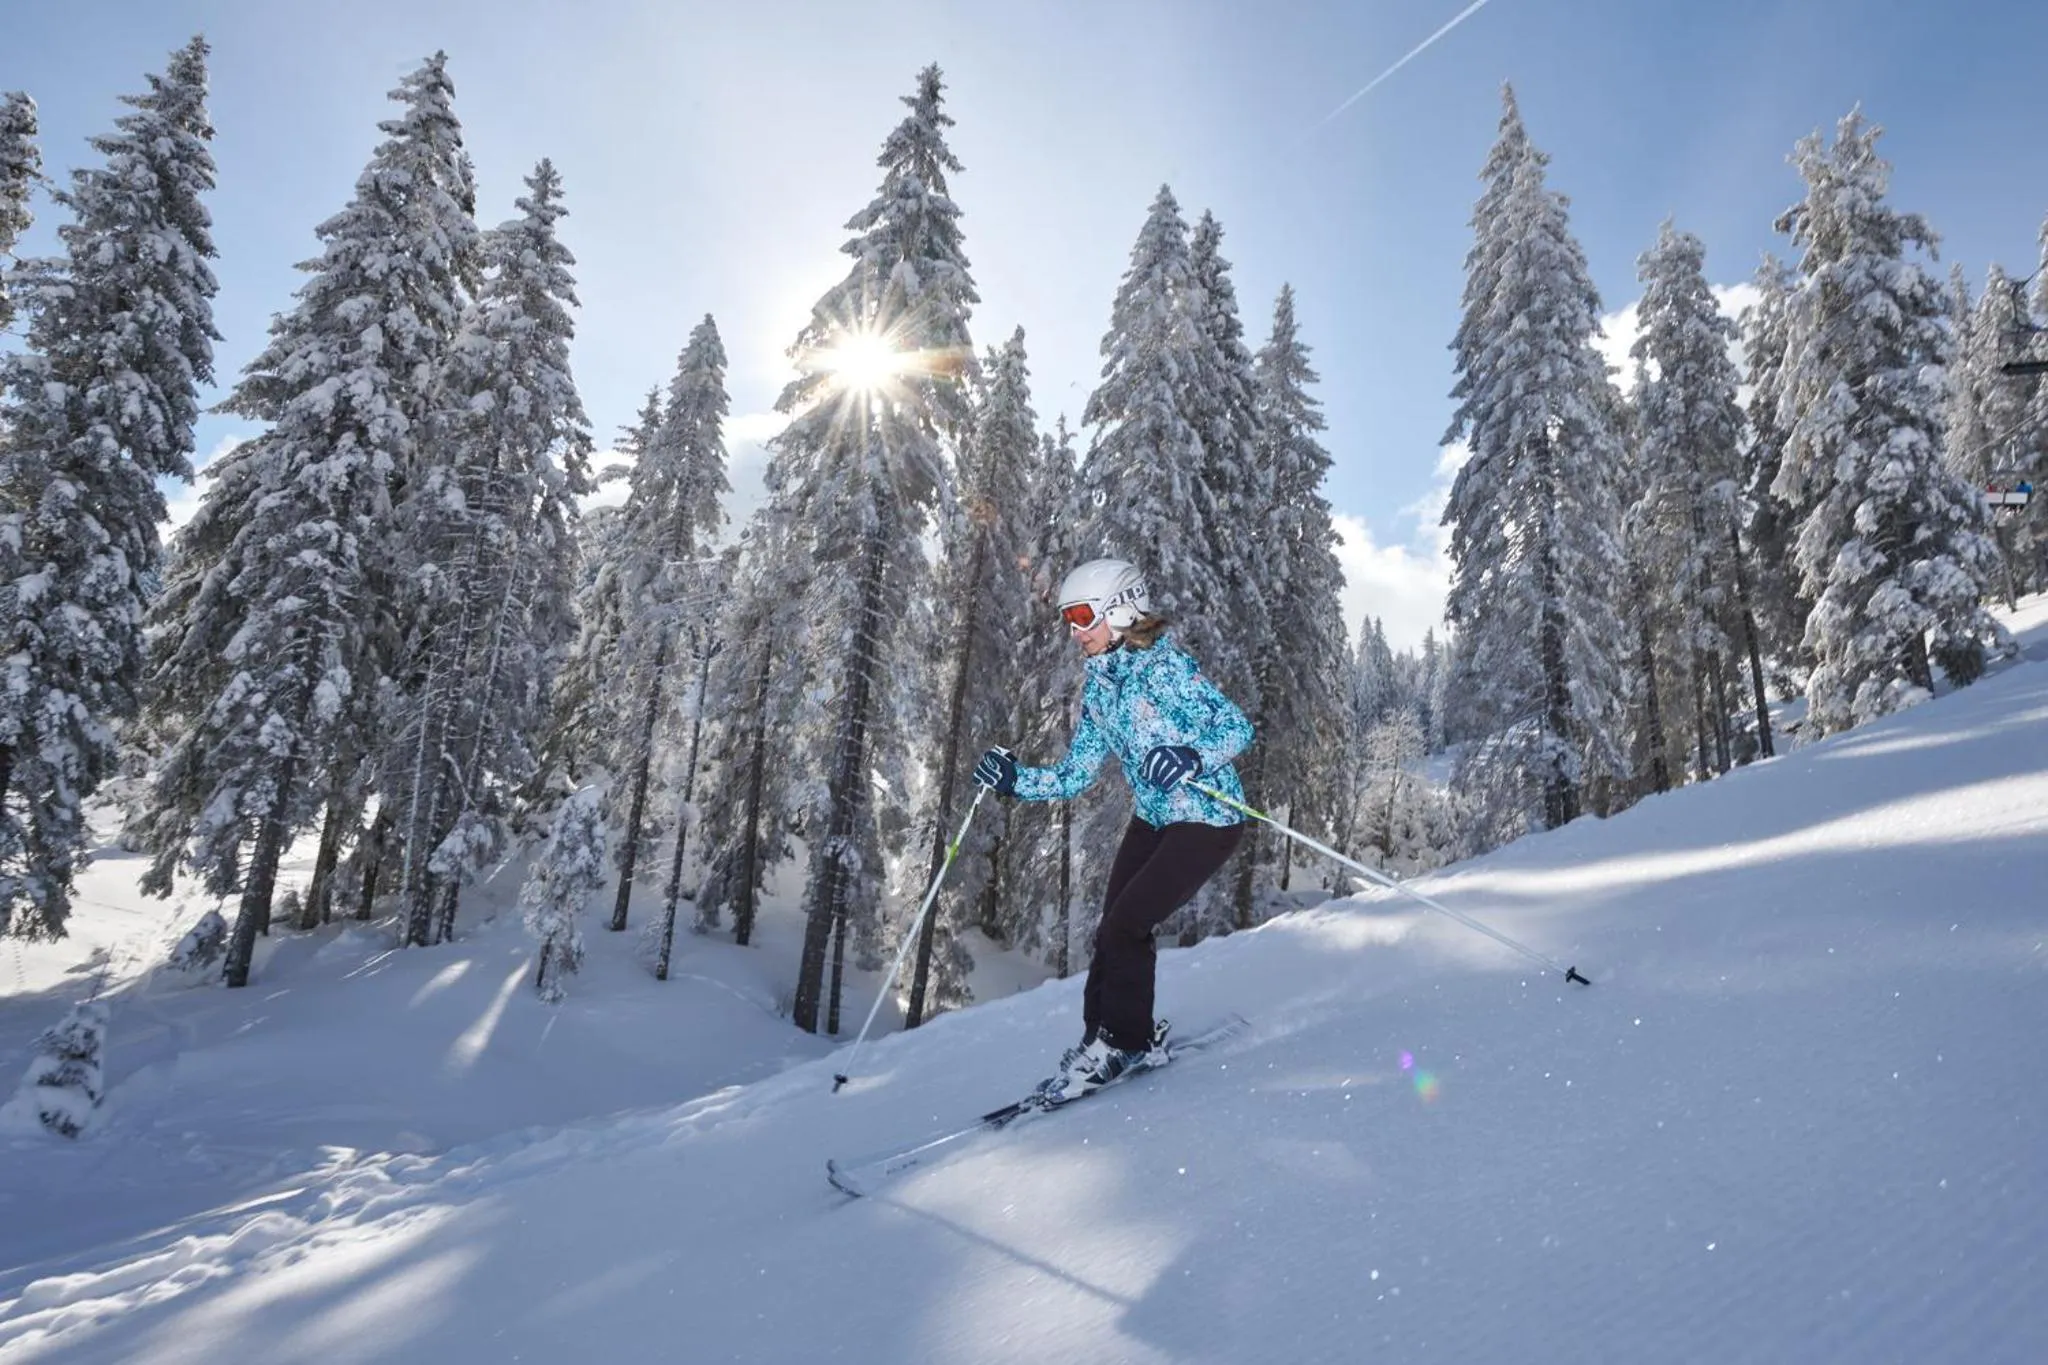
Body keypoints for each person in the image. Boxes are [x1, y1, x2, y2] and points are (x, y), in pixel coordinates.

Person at [973, 558, 1252, 1102]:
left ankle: (1122, 1044)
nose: (1074, 631)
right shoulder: (1101, 688)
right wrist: (1013, 780)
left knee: (1127, 925)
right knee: (1111, 930)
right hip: (1154, 818)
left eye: (1082, 616)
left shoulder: (1166, 668)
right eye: (1068, 619)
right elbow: (1076, 773)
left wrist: (1191, 756)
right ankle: (1104, 1038)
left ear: (1121, 610)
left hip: (1207, 819)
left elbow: (1236, 727)